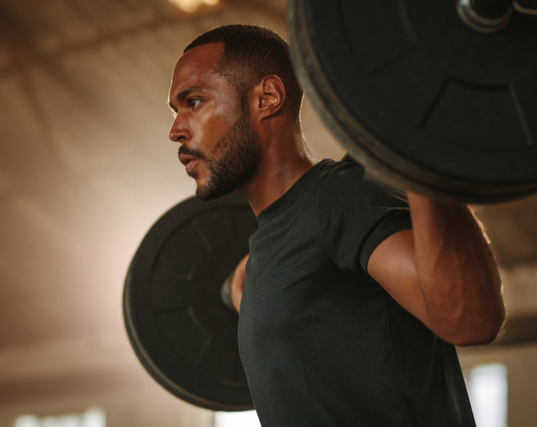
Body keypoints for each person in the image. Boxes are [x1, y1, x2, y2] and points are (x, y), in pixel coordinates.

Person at [168, 24, 505, 427]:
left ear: (267, 98)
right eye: (175, 111)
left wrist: (418, 147)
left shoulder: (341, 198)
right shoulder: (266, 254)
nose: (176, 130)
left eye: (194, 101)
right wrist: (240, 284)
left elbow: (469, 318)